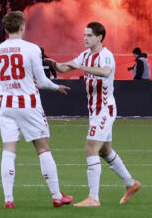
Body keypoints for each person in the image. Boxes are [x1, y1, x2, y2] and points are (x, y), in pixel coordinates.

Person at [49, 22, 141, 207]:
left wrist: (82, 67)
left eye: (89, 35)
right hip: (94, 111)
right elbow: (66, 68)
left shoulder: (106, 56)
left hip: (105, 109)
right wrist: (54, 64)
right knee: (105, 151)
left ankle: (93, 198)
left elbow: (105, 72)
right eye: (84, 35)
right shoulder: (85, 55)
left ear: (99, 37)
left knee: (90, 148)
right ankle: (131, 183)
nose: (85, 38)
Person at [0, 10, 72, 209]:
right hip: (28, 104)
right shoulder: (32, 49)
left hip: (7, 105)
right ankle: (56, 195)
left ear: (5, 28)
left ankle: (8, 198)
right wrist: (57, 87)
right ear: (22, 27)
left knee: (9, 151)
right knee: (43, 148)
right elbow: (42, 81)